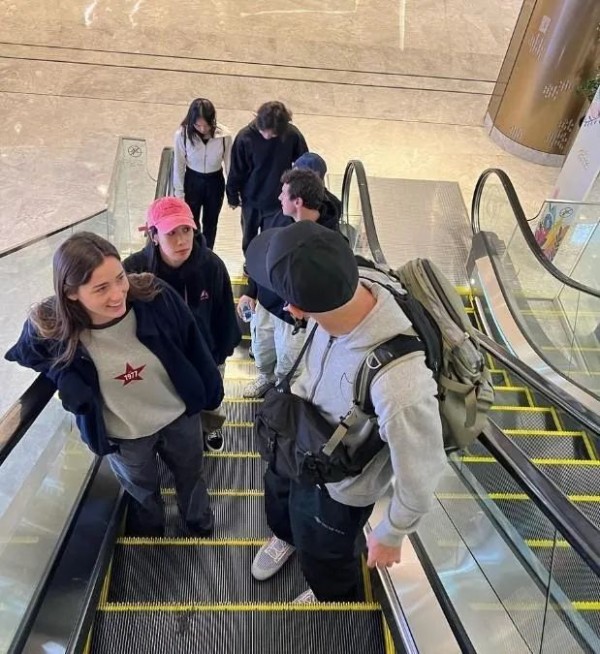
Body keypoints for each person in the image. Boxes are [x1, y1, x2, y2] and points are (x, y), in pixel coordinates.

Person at [245, 221, 446, 602]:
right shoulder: (351, 282)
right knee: (283, 503)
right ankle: (285, 536)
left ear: (294, 309)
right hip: (298, 438)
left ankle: (329, 594)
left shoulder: (399, 384)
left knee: (326, 554)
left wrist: (392, 532)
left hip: (338, 491)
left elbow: (422, 471)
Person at [5, 232, 223, 538]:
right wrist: (62, 375)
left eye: (120, 278)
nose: (118, 294)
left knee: (191, 473)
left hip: (177, 416)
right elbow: (24, 353)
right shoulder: (54, 325)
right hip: (123, 434)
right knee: (141, 486)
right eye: (101, 288)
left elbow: (193, 342)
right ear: (71, 293)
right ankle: (151, 527)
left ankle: (197, 518)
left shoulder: (155, 296)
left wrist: (211, 393)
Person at [123, 196, 241, 452]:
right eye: (171, 233)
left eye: (186, 230)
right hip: (161, 359)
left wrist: (220, 355)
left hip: (206, 353)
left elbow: (224, 315)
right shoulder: (134, 270)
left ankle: (211, 426)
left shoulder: (211, 265)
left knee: (212, 396)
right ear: (154, 236)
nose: (181, 241)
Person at [238, 167, 340, 398]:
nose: (279, 197)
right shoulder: (278, 218)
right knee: (262, 352)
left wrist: (308, 313)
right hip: (266, 305)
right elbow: (263, 257)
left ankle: (282, 395)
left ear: (298, 202)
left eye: (283, 193)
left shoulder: (330, 240)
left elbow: (332, 286)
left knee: (290, 364)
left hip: (294, 319)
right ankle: (266, 378)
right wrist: (250, 292)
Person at [226, 101, 308, 254]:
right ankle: (250, 263)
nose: (268, 136)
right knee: (249, 241)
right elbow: (236, 169)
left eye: (274, 134)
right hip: (251, 200)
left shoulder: (292, 135)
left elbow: (304, 164)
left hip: (279, 201)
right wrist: (232, 196)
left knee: (274, 242)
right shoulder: (245, 138)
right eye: (265, 132)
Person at [173, 98, 232, 249]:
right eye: (198, 125)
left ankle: (207, 252)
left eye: (206, 125)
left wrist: (233, 191)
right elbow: (178, 165)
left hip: (215, 181)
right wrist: (179, 194)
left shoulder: (224, 136)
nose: (203, 129)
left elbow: (229, 165)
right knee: (191, 221)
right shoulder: (182, 135)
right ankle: (193, 251)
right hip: (193, 180)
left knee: (211, 222)